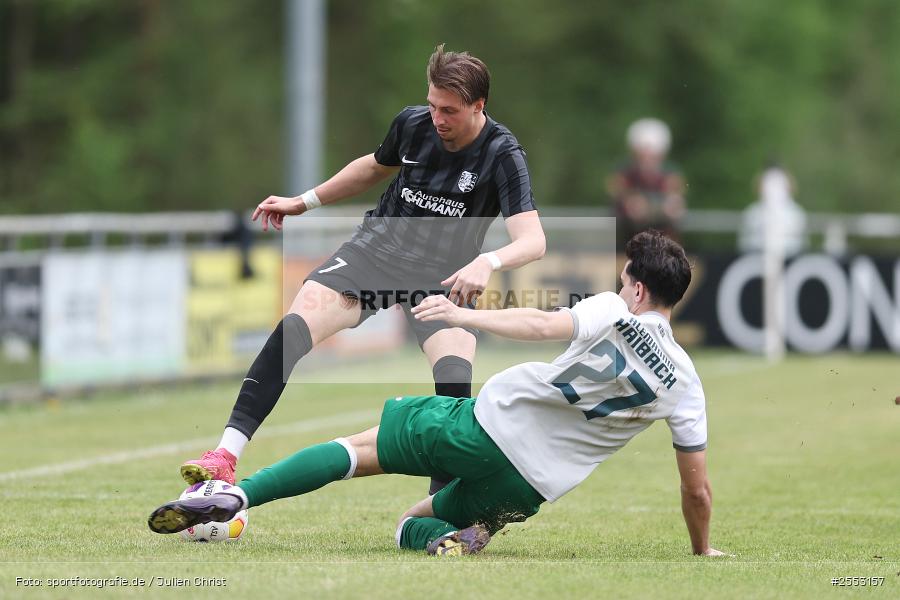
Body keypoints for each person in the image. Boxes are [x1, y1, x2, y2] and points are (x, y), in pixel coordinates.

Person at [150, 231, 725, 558]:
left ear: (638, 290)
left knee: (359, 450)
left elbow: (541, 325)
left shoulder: (612, 311)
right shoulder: (686, 384)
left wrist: (461, 315)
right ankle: (466, 537)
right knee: (411, 524)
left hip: (483, 428)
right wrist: (702, 551)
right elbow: (696, 489)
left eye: (624, 282)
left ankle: (237, 497)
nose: (619, 289)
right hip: (528, 488)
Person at [178, 45, 546, 497]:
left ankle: (440, 510)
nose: (437, 118)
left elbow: (533, 240)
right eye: (432, 105)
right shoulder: (412, 124)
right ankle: (224, 456)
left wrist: (488, 261)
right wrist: (303, 202)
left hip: (442, 277)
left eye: (449, 110)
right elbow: (372, 167)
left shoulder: (502, 153)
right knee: (293, 330)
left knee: (452, 391)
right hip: (376, 254)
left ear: (478, 106)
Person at [607, 118, 686, 248]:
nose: (648, 158)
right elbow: (618, 193)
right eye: (644, 153)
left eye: (652, 154)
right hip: (629, 243)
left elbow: (675, 204)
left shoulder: (670, 175)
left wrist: (652, 208)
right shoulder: (625, 173)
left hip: (663, 245)